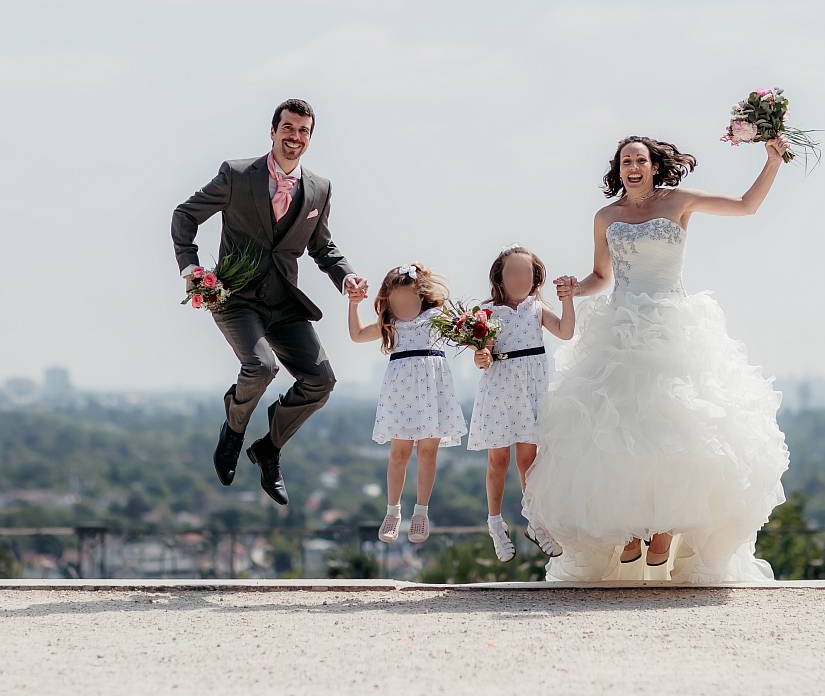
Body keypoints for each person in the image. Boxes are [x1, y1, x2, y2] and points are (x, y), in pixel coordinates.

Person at [521, 135, 792, 584]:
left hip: (672, 325)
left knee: (672, 426)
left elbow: (746, 206)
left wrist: (773, 160)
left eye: (640, 160)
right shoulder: (606, 216)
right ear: (618, 168)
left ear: (653, 165)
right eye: (626, 160)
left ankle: (665, 529)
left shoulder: (679, 201)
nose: (633, 166)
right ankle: (628, 531)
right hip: (619, 329)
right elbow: (601, 276)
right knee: (615, 431)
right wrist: (574, 289)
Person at [171, 98, 367, 506]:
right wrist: (190, 268)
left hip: (285, 302)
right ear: (273, 130)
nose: (295, 137)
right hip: (236, 298)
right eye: (288, 128)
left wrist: (346, 275)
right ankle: (234, 428)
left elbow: (323, 248)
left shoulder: (319, 189)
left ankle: (269, 448)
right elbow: (184, 216)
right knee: (261, 366)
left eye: (303, 131)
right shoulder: (237, 175)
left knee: (321, 381)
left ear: (310, 138)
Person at [467, 245, 574, 562]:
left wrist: (568, 299)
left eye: (525, 272)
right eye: (512, 272)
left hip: (531, 392)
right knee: (497, 461)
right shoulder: (485, 312)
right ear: (499, 276)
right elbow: (482, 356)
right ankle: (496, 523)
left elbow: (566, 332)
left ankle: (535, 520)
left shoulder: (537, 308)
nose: (518, 278)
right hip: (500, 391)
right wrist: (481, 354)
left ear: (535, 276)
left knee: (529, 460)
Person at [349, 263, 467, 543]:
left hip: (432, 393)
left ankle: (421, 512)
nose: (402, 305)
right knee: (398, 453)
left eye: (407, 298)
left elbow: (465, 333)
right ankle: (393, 511)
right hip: (401, 395)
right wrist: (353, 305)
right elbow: (356, 335)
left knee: (427, 453)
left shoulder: (437, 317)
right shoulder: (391, 324)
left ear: (421, 295)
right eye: (396, 301)